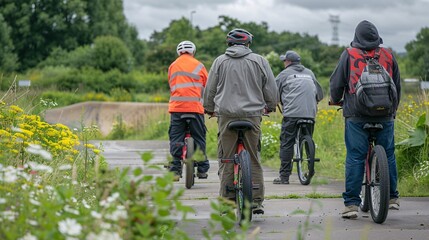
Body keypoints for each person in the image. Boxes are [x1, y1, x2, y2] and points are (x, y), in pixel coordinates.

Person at [329, 20, 401, 219]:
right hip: (385, 114)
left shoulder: (349, 54)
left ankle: (351, 204)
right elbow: (397, 85)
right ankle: (393, 197)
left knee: (355, 156)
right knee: (389, 154)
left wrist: (335, 100)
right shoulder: (388, 54)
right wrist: (393, 110)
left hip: (356, 115)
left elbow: (336, 83)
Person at [203, 28, 278, 214]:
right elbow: (270, 87)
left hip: (226, 115)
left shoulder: (219, 61)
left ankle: (227, 202)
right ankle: (256, 201)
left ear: (229, 43)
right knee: (253, 156)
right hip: (252, 115)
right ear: (248, 43)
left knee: (227, 158)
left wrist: (209, 108)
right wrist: (270, 105)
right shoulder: (260, 61)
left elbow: (210, 89)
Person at [273, 50, 324, 184]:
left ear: (288, 62)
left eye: (284, 60)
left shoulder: (283, 74)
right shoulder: (310, 73)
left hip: (291, 115)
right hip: (309, 113)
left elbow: (273, 95)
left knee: (287, 143)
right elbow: (320, 95)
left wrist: (272, 104)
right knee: (307, 138)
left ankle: (284, 177)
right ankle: (310, 166)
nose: (284, 63)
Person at [168, 40, 210, 181]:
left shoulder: (173, 65)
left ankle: (174, 169)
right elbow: (208, 86)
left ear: (179, 52)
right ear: (193, 51)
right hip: (195, 109)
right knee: (199, 137)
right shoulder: (199, 65)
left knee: (176, 137)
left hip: (177, 108)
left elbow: (171, 85)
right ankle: (203, 169)